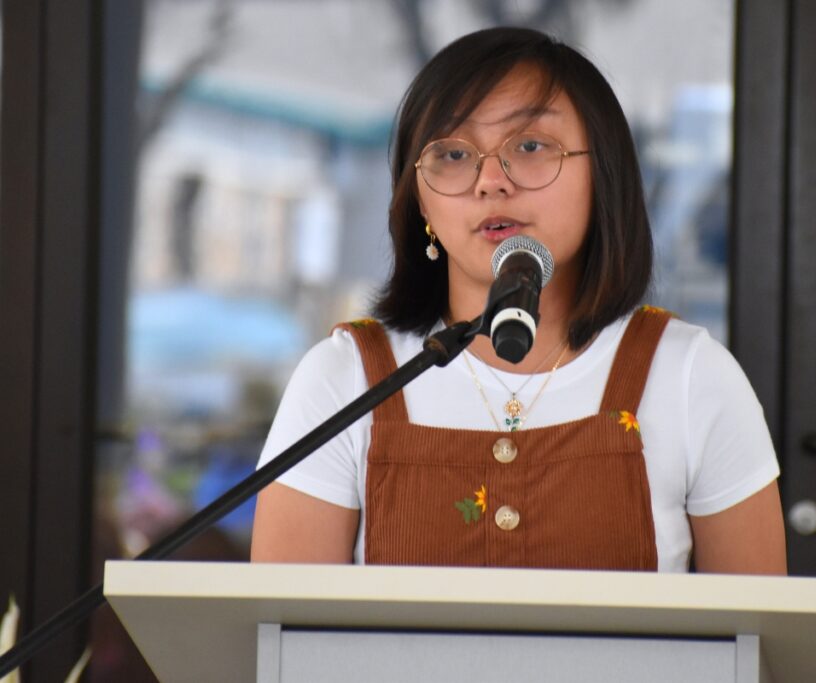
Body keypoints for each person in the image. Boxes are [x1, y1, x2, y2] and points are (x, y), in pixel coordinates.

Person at [251, 26, 786, 574]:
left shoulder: (691, 377)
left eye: (529, 146)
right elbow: (284, 641)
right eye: (453, 154)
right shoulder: (345, 381)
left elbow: (757, 645)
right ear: (421, 205)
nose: (489, 181)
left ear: (603, 174)